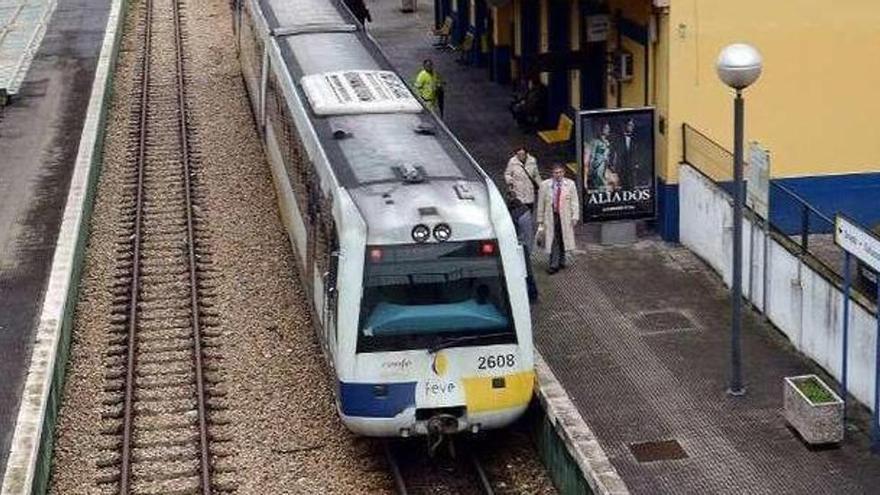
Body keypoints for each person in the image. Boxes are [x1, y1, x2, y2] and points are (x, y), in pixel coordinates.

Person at [536, 164, 579, 274]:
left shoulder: (570, 184)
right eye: (556, 172)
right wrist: (540, 219)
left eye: (560, 172)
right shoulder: (545, 185)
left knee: (562, 238)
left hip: (565, 216)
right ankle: (553, 264)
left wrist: (575, 217)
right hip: (551, 216)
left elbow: (574, 202)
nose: (558, 175)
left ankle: (562, 261)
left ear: (564, 173)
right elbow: (541, 203)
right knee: (553, 239)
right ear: (552, 174)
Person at [507, 194, 539, 302]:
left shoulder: (514, 213)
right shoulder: (524, 210)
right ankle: (532, 295)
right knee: (527, 271)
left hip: (520, 245)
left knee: (524, 271)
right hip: (524, 244)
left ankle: (530, 295)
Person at [613, 117, 652, 190]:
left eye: (632, 125)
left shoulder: (636, 140)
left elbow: (640, 153)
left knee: (631, 187)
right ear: (625, 126)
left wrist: (637, 164)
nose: (632, 127)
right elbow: (615, 153)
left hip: (632, 169)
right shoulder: (618, 139)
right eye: (630, 125)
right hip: (621, 169)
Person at [503, 146, 541, 211]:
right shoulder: (512, 162)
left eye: (522, 154)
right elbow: (507, 173)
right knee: (518, 211)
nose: (520, 156)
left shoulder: (532, 161)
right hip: (517, 191)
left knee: (529, 211)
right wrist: (510, 181)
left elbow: (536, 175)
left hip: (529, 191)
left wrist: (541, 186)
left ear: (526, 154)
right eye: (518, 154)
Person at [583, 121, 617, 192]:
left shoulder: (607, 142)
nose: (608, 130)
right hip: (598, 164)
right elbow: (592, 154)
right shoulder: (595, 141)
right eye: (606, 128)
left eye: (608, 128)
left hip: (605, 164)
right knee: (598, 177)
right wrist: (591, 167)